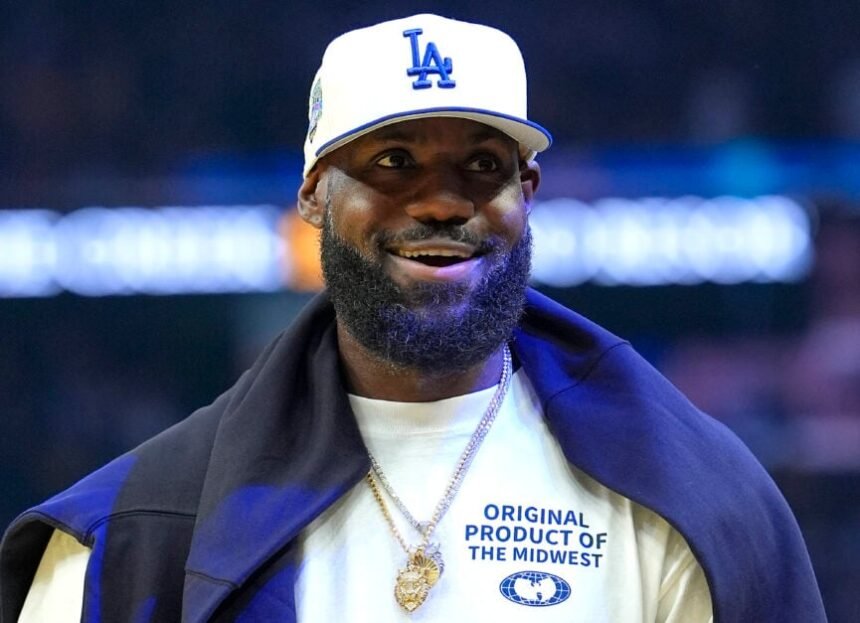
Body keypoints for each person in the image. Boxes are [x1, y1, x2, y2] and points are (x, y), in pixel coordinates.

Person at [0, 14, 825, 623]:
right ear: (315, 195)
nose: (441, 200)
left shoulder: (697, 503)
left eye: (482, 165)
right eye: (393, 162)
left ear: (526, 195)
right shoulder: (125, 539)